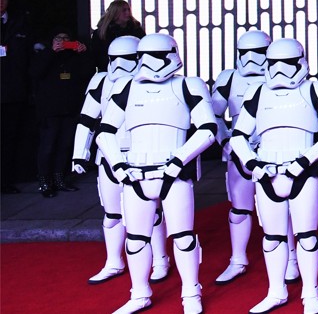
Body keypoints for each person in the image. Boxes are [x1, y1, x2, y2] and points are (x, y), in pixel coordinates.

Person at [95, 33, 218, 314]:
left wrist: (179, 159)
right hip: (136, 173)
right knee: (136, 238)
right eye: (145, 57)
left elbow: (207, 129)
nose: (151, 64)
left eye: (158, 56)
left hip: (172, 174)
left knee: (183, 236)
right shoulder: (127, 88)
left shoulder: (189, 85)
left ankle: (190, 293)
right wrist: (119, 165)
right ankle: (139, 293)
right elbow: (105, 132)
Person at [229, 38, 318, 314]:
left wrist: (303, 161)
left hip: (302, 172)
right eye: (274, 65)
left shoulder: (317, 89)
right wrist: (253, 163)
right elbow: (239, 136)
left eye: (287, 64)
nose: (280, 71)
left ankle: (309, 291)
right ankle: (276, 290)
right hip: (267, 172)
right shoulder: (257, 93)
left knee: (306, 235)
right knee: (273, 237)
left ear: (301, 62)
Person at [73, 35, 170, 284]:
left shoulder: (152, 82)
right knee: (112, 213)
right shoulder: (101, 82)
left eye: (126, 59)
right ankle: (113, 260)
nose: (119, 65)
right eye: (113, 59)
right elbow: (86, 119)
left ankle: (160, 259)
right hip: (109, 154)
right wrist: (79, 154)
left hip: (142, 156)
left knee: (153, 210)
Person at [210, 30, 300, 286]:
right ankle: (238, 259)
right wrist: (225, 141)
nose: (251, 60)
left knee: (285, 206)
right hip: (241, 150)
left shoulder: (286, 79)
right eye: (245, 54)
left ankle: (291, 258)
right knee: (239, 208)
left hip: (275, 153)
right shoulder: (229, 79)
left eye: (259, 54)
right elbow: (214, 115)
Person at [31, 30, 95, 195]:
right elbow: (36, 73)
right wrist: (51, 52)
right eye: (59, 38)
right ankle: (45, 181)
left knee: (65, 146)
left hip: (70, 108)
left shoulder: (74, 57)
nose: (63, 42)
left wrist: (83, 54)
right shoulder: (44, 54)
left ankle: (60, 178)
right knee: (48, 146)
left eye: (66, 39)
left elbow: (87, 74)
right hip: (50, 110)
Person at [0, 0, 33, 194]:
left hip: (12, 91)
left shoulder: (18, 23)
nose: (1, 2)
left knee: (9, 138)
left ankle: (5, 180)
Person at [90, 0, 146, 72]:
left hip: (134, 72)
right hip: (108, 72)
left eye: (128, 9)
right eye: (124, 10)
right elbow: (97, 57)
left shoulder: (137, 30)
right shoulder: (101, 33)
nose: (128, 13)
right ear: (115, 13)